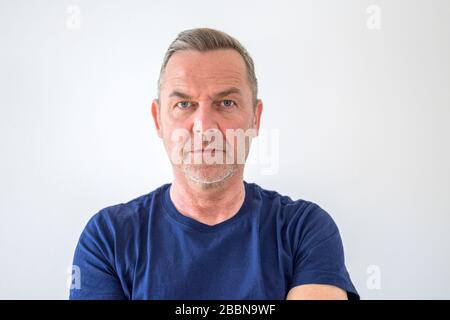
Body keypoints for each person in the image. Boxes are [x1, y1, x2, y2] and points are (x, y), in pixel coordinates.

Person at [69, 28, 359, 300]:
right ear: (158, 119)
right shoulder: (109, 238)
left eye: (226, 103)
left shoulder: (304, 230)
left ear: (255, 118)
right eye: (184, 104)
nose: (204, 126)